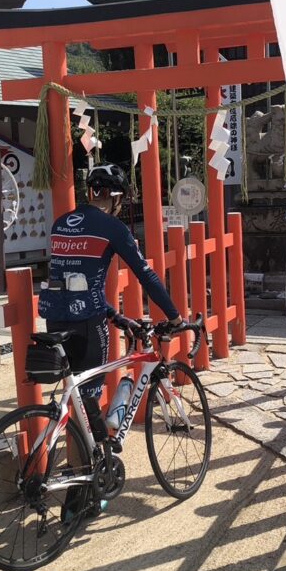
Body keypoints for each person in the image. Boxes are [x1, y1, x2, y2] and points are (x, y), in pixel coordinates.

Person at [38, 162, 183, 447]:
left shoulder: (61, 223)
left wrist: (114, 314)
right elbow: (146, 275)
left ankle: (80, 468)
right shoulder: (112, 227)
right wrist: (175, 317)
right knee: (89, 398)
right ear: (117, 197)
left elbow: (72, 281)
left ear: (91, 192)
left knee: (76, 396)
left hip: (55, 318)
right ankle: (91, 475)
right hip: (87, 324)